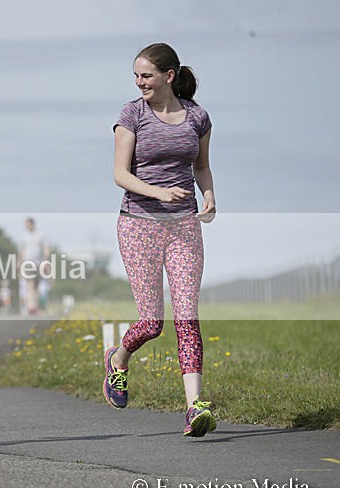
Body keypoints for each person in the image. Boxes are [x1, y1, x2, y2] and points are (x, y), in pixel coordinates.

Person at [106, 43, 217, 437]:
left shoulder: (198, 118)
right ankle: (118, 361)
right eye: (136, 76)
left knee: (187, 317)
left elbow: (201, 166)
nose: (140, 83)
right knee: (152, 322)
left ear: (169, 76)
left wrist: (209, 196)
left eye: (147, 76)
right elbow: (120, 174)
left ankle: (194, 407)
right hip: (139, 225)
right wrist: (158, 193)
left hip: (185, 225)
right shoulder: (132, 114)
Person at [18, 217, 50, 315]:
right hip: (27, 263)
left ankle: (34, 306)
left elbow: (46, 249)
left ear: (32, 224)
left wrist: (45, 261)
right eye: (26, 225)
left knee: (36, 286)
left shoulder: (41, 235)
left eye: (28, 224)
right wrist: (18, 261)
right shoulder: (24, 236)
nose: (27, 227)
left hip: (39, 263)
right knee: (30, 284)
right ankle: (30, 306)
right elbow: (21, 250)